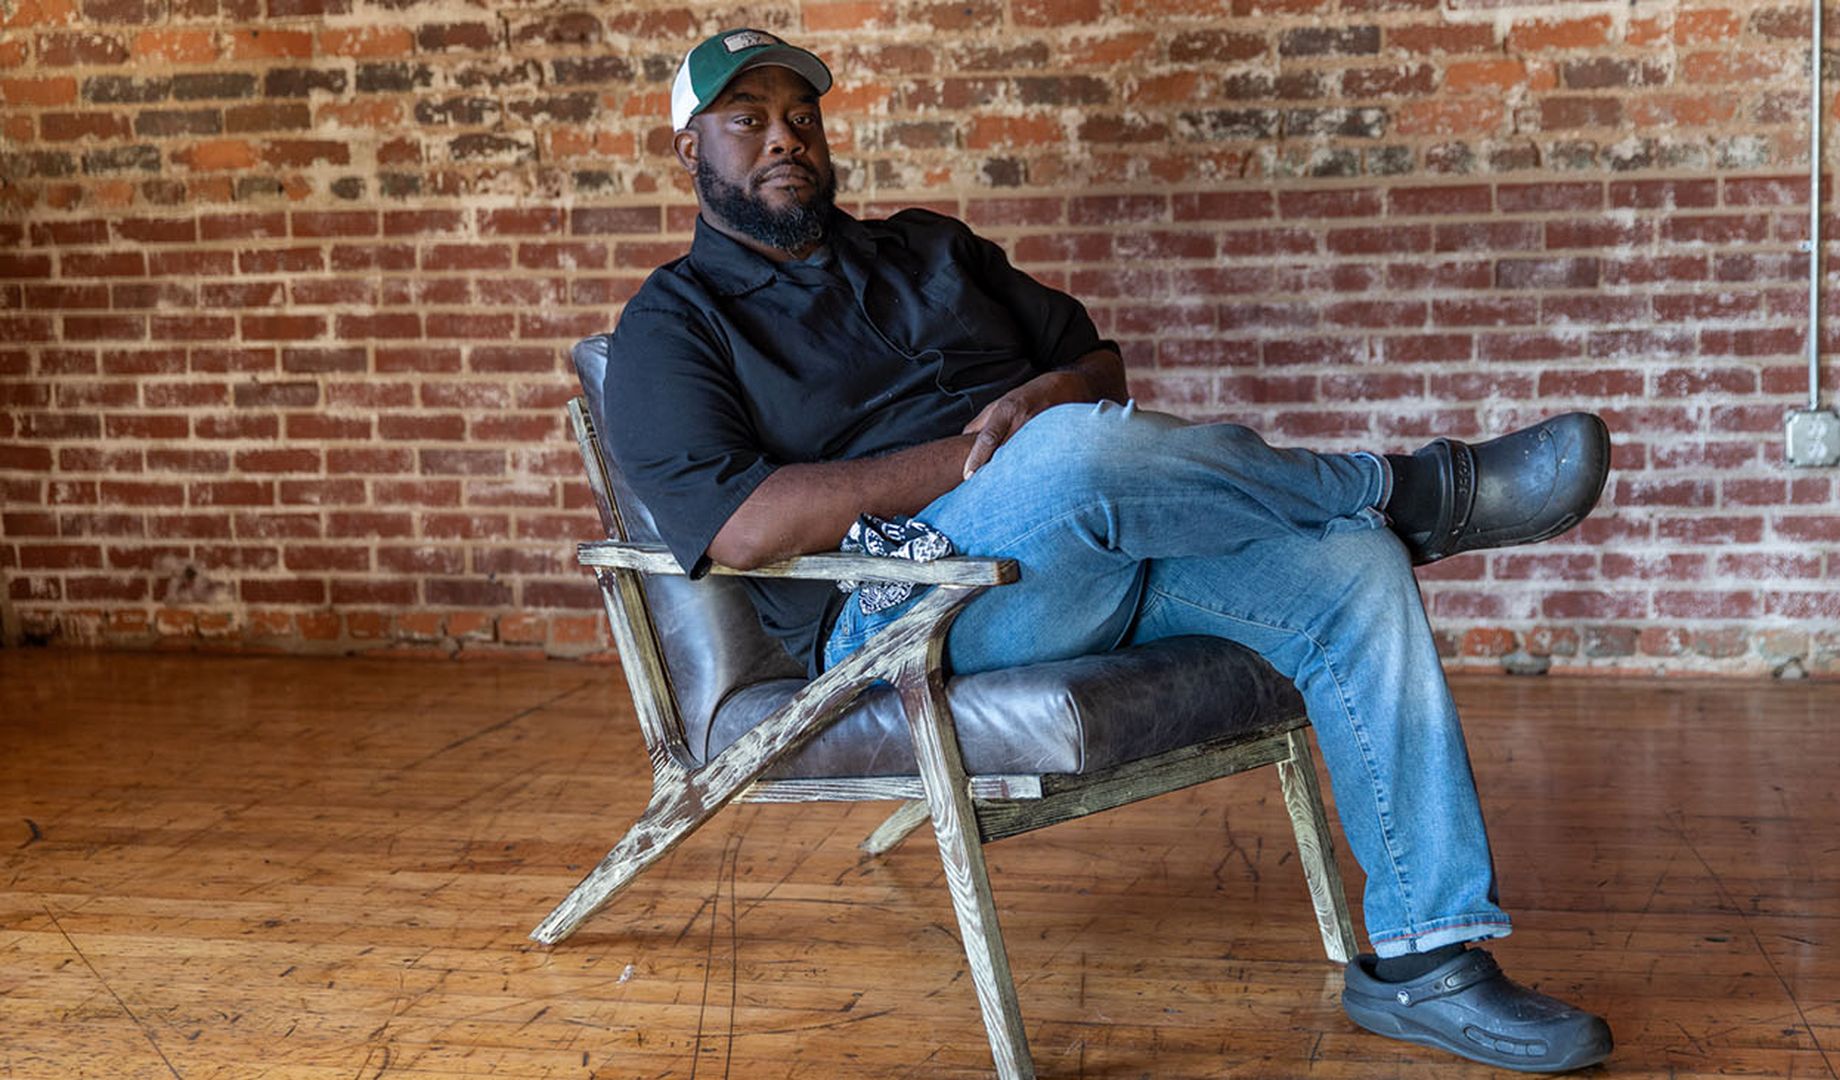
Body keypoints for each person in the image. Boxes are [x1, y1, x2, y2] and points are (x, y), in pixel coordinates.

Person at [605, 28, 1614, 1074]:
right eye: (748, 121)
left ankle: (1428, 964)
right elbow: (740, 526)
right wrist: (980, 460)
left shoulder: (930, 248)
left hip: (1084, 548)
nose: (786, 139)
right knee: (1078, 458)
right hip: (901, 611)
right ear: (690, 150)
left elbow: (1097, 366)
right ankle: (1411, 488)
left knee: (1353, 569)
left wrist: (1041, 401)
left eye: (801, 117)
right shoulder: (675, 323)